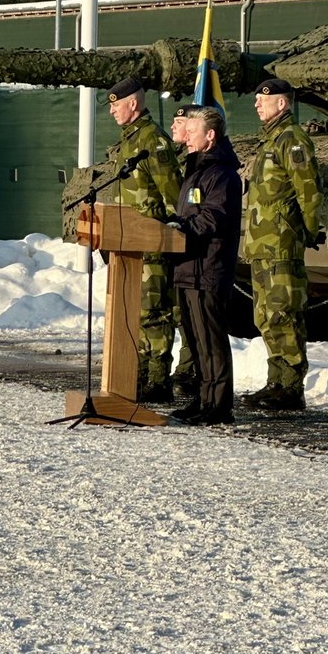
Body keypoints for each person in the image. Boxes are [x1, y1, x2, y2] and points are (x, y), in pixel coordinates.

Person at [242, 78, 323, 411]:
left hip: (281, 244)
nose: (258, 105)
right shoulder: (270, 141)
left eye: (265, 99)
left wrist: (307, 232)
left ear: (283, 103)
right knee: (266, 316)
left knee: (283, 313)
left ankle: (291, 387)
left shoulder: (292, 141)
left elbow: (309, 191)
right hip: (263, 245)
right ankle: (276, 381)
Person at [107, 77, 182, 401]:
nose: (111, 111)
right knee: (133, 312)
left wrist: (168, 231)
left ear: (133, 104)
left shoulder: (154, 141)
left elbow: (174, 195)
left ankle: (157, 378)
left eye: (116, 104)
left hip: (152, 244)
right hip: (128, 245)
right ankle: (136, 373)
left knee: (154, 312)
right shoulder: (128, 142)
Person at [170, 106, 242, 425]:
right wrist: (172, 224)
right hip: (188, 267)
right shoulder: (197, 170)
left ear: (210, 136)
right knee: (195, 340)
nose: (186, 136)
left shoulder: (222, 174)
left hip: (208, 268)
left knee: (211, 339)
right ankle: (202, 398)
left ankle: (219, 405)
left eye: (192, 131)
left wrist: (183, 229)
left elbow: (215, 216)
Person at [169, 105, 202, 401]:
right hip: (171, 242)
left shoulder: (200, 162)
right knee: (179, 312)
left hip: (190, 244)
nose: (175, 127)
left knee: (188, 315)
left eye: (181, 122)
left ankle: (188, 371)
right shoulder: (178, 157)